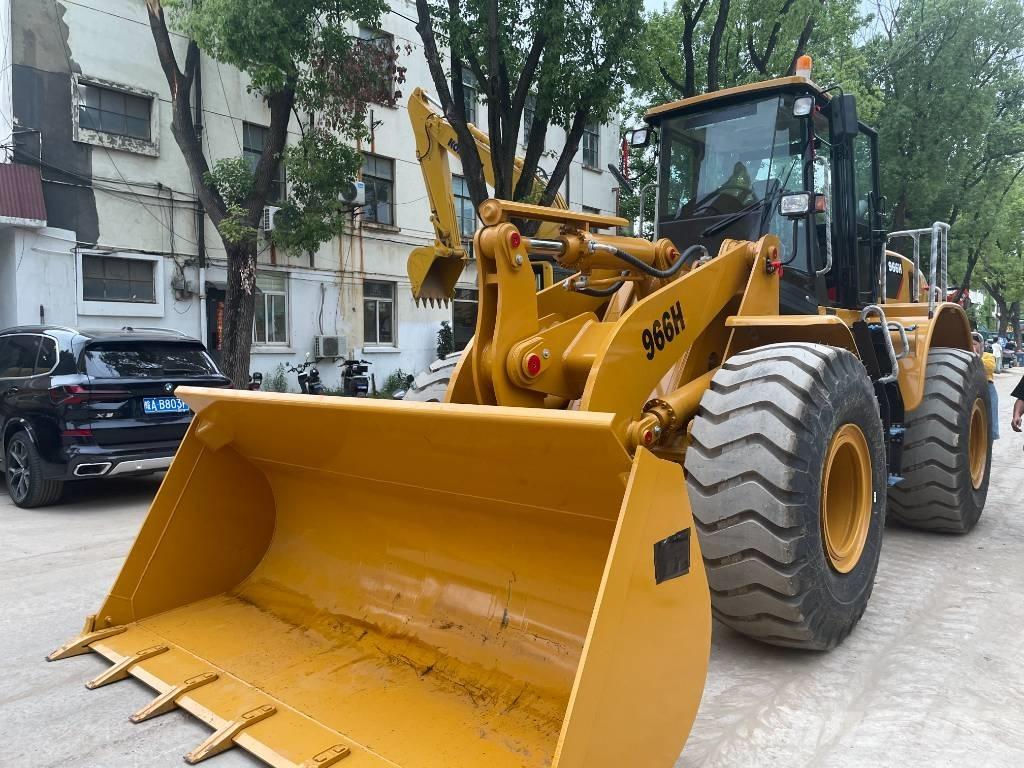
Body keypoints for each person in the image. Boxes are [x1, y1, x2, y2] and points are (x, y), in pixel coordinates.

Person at [973, 332, 999, 440]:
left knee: (991, 416)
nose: (972, 346)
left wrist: (977, 357)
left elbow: (989, 368)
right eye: (970, 344)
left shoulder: (988, 356)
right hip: (971, 387)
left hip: (988, 387)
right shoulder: (963, 357)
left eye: (974, 344)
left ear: (981, 345)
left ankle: (991, 437)